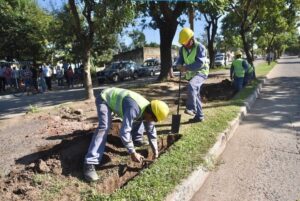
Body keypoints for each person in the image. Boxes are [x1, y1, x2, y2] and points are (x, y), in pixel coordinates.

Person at [83, 87, 169, 182]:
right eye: (155, 119)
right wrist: (133, 152)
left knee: (142, 120)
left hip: (129, 105)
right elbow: (124, 132)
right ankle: (89, 163)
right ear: (150, 113)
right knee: (104, 127)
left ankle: (136, 140)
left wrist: (155, 152)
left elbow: (151, 131)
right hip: (105, 98)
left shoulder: (148, 110)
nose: (154, 121)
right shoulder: (134, 108)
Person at [176, 27, 209, 123]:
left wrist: (186, 68)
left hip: (201, 72)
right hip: (191, 74)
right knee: (195, 94)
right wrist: (179, 65)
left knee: (192, 85)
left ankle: (191, 108)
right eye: (183, 43)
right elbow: (180, 60)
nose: (184, 44)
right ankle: (199, 116)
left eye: (186, 42)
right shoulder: (182, 49)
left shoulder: (200, 47)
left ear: (192, 38)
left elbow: (200, 63)